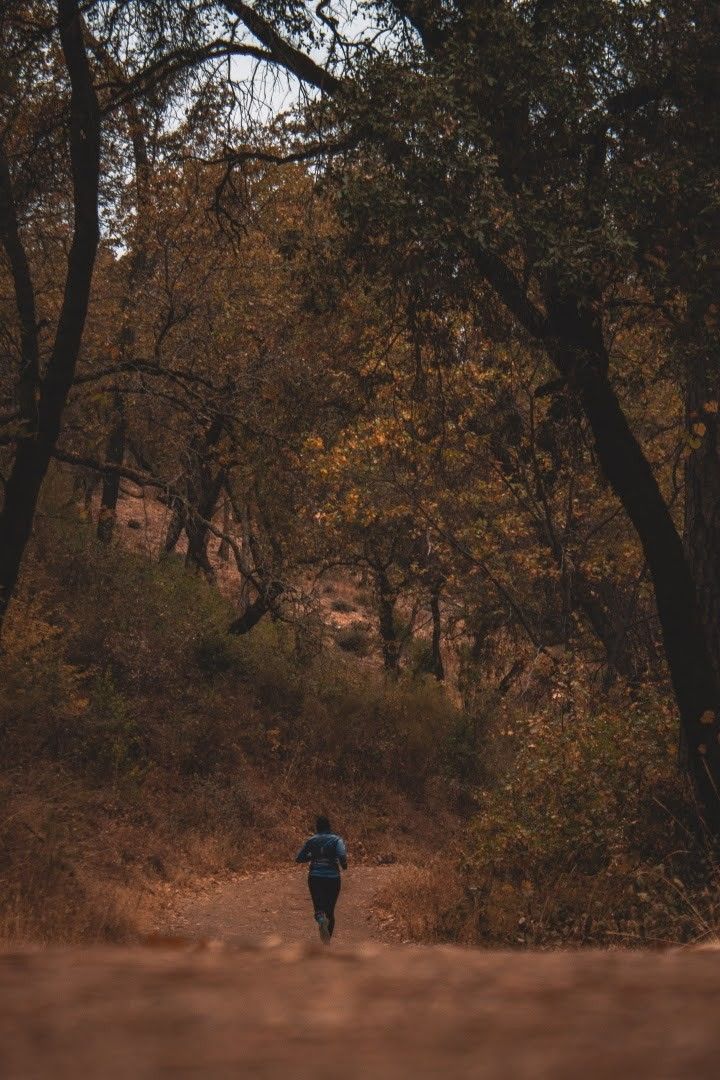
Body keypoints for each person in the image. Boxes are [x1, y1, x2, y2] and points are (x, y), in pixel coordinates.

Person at [295, 815, 347, 943]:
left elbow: (299, 858)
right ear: (329, 827)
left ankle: (321, 919)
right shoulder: (337, 840)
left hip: (315, 877)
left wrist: (312, 856)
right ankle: (326, 942)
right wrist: (344, 865)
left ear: (317, 827)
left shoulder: (311, 840)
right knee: (330, 910)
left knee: (319, 908)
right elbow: (341, 854)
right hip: (333, 878)